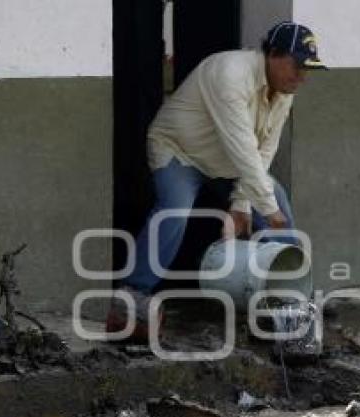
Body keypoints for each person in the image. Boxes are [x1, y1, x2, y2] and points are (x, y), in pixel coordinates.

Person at [106, 21, 325, 337]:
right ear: (274, 55)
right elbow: (243, 147)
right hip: (180, 151)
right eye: (297, 66)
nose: (302, 77)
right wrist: (267, 209)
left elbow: (264, 151)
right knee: (175, 210)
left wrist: (242, 205)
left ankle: (292, 299)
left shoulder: (284, 90)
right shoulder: (230, 74)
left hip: (228, 162)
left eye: (308, 69)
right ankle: (132, 297)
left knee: (276, 198)